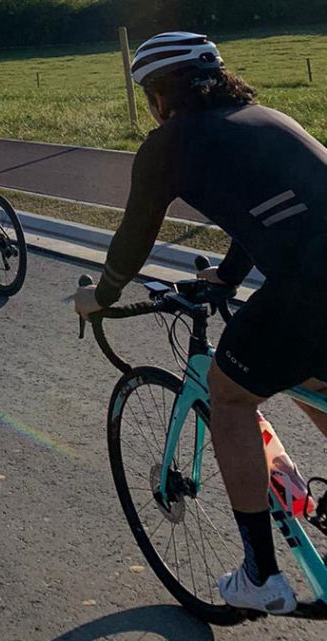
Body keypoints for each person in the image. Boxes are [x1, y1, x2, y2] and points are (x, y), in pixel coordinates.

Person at [73, 32, 327, 615]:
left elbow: (135, 234)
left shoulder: (170, 143)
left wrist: (101, 296)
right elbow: (267, 208)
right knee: (310, 377)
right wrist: (230, 278)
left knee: (230, 396)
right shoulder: (262, 118)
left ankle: (261, 575)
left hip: (311, 285)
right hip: (315, 273)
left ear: (162, 94)